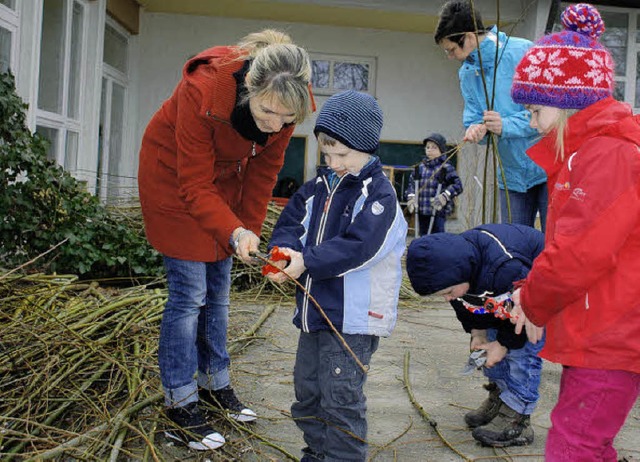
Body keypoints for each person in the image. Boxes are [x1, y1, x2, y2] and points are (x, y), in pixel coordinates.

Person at [137, 29, 313, 450]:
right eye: (268, 112)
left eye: (286, 120)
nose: (275, 126)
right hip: (173, 181)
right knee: (189, 296)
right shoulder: (203, 90)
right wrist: (231, 228)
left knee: (219, 292)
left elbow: (262, 173)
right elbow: (193, 182)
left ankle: (215, 386)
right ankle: (180, 405)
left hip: (223, 186)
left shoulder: (289, 101)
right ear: (250, 87)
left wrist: (247, 229)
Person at [507, 4, 640, 460]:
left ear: (568, 104)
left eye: (536, 109)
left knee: (573, 444)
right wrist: (530, 290)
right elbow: (566, 248)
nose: (531, 122)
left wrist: (533, 300)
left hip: (612, 333)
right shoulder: (587, 156)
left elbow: (578, 255)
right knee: (586, 440)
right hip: (600, 329)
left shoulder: (607, 156)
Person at [265, 90, 407, 461]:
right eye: (327, 155)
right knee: (308, 391)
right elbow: (291, 223)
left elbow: (360, 247)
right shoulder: (319, 188)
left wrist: (307, 261)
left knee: (340, 398)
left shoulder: (379, 196)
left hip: (353, 321)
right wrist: (282, 254)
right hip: (313, 315)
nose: (333, 162)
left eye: (342, 154)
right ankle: (318, 452)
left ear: (367, 147)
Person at [406, 223, 545, 447]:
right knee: (490, 349)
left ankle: (518, 416)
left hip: (531, 302)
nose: (447, 298)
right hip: (499, 302)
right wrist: (478, 334)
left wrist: (503, 344)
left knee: (521, 355)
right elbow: (464, 305)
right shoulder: (459, 275)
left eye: (448, 292)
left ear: (461, 272)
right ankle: (500, 398)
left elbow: (522, 315)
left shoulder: (505, 268)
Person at [434, 0, 548, 231]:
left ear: (468, 37)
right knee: (513, 248)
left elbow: (548, 113)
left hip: (548, 167)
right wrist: (477, 130)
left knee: (554, 243)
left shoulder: (524, 52)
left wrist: (505, 125)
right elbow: (475, 117)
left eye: (452, 49)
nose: (451, 56)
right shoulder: (467, 74)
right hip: (511, 175)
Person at [405, 133, 463, 235]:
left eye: (434, 147)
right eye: (427, 147)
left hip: (438, 211)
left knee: (437, 237)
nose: (430, 150)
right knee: (422, 236)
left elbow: (458, 185)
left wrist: (445, 196)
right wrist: (411, 197)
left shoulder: (446, 168)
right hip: (421, 210)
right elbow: (411, 184)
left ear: (441, 150)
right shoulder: (420, 168)